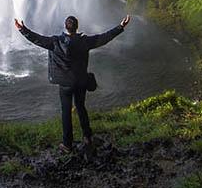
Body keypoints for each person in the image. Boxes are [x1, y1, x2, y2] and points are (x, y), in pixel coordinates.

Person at [14, 13, 132, 152]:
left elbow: (37, 39)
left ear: (65, 27)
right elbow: (104, 38)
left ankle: (67, 144)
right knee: (81, 108)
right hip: (81, 81)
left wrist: (23, 29)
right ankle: (88, 137)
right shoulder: (85, 41)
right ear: (77, 27)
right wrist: (121, 26)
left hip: (65, 84)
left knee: (66, 112)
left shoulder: (55, 42)